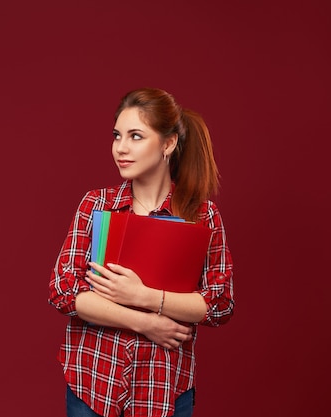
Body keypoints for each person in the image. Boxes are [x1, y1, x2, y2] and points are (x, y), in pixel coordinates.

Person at [48, 87, 234, 417]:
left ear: (168, 143)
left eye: (136, 136)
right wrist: (144, 323)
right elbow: (63, 291)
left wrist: (144, 296)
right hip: (94, 381)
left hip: (163, 387)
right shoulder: (96, 205)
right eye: (117, 135)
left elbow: (219, 303)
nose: (121, 147)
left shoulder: (201, 216)